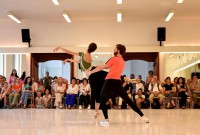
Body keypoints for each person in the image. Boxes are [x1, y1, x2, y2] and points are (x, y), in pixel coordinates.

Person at [87, 44, 150, 125]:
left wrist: (91, 72)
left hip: (109, 81)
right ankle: (143, 116)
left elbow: (102, 67)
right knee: (128, 100)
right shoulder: (122, 61)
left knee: (102, 101)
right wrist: (98, 66)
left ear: (118, 51)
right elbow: (108, 67)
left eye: (115, 49)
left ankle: (106, 120)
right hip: (117, 82)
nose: (114, 50)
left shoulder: (114, 59)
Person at [54, 43, 108, 120]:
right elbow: (78, 61)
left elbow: (70, 52)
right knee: (97, 92)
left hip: (93, 74)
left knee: (96, 92)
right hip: (93, 73)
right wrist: (68, 59)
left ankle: (96, 111)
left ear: (88, 47)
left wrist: (60, 47)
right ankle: (96, 112)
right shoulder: (86, 55)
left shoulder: (84, 54)